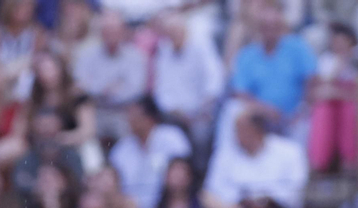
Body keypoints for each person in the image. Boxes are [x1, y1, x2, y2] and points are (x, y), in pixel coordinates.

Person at [203, 108, 307, 208]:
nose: (236, 135)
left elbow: (296, 189)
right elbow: (212, 190)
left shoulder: (289, 151)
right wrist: (244, 204)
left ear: (257, 129)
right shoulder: (224, 154)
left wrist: (265, 202)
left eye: (241, 130)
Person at [228, 0, 316, 130]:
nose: (270, 32)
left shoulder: (297, 47)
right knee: (232, 110)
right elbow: (240, 93)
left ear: (282, 27)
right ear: (259, 29)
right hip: (258, 119)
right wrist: (264, 110)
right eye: (266, 27)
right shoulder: (247, 55)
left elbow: (312, 81)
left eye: (275, 27)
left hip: (295, 117)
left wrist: (302, 109)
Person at [108, 97, 190, 208]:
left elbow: (183, 172)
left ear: (150, 118)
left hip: (164, 201)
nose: (130, 120)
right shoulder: (121, 148)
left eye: (135, 115)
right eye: (129, 115)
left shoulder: (172, 137)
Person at [150, 10, 224, 152]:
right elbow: (160, 89)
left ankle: (199, 171)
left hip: (201, 112)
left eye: (176, 31)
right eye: (170, 33)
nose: (174, 36)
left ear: (185, 29)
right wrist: (174, 110)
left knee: (201, 134)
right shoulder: (164, 51)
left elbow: (215, 81)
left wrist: (201, 108)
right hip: (173, 114)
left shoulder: (202, 46)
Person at [71, 11, 147, 141]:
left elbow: (136, 89)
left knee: (132, 135)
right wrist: (109, 87)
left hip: (123, 112)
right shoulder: (86, 54)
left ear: (123, 31)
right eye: (107, 30)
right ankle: (93, 161)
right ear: (100, 32)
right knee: (85, 136)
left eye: (115, 30)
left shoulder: (135, 56)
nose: (111, 35)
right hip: (94, 111)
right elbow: (80, 85)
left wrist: (97, 87)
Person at [307, 22, 358, 173]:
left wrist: (338, 93)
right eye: (335, 41)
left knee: (350, 110)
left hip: (351, 105)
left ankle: (350, 162)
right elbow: (318, 92)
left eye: (342, 41)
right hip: (332, 106)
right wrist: (339, 65)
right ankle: (320, 163)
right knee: (324, 109)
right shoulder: (326, 60)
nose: (338, 45)